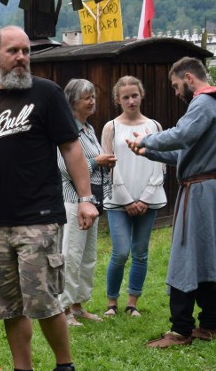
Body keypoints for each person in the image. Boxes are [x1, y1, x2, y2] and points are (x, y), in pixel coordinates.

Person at [0, 26, 98, 371]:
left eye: (26, 52)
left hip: (41, 215)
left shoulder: (46, 95)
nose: (21, 58)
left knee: (45, 300)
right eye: (13, 51)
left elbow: (71, 149)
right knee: (8, 304)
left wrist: (85, 197)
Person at [127, 56, 216, 347]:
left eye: (177, 86)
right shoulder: (209, 105)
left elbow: (182, 135)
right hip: (205, 191)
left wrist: (147, 140)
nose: (177, 92)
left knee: (185, 258)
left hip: (201, 194)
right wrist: (147, 151)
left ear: (189, 78)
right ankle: (211, 324)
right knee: (206, 258)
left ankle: (181, 330)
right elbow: (183, 154)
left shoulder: (202, 104)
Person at [100, 76, 166, 319]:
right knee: (121, 251)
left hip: (149, 198)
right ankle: (111, 302)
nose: (131, 100)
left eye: (134, 95)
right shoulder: (111, 127)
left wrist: (146, 197)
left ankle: (132, 303)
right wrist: (127, 199)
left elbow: (161, 164)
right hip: (119, 200)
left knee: (140, 251)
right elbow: (108, 164)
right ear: (118, 99)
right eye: (125, 97)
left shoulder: (154, 126)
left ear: (142, 95)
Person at [58, 79, 116, 327]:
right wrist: (97, 162)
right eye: (87, 98)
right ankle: (64, 309)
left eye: (93, 96)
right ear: (73, 102)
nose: (92, 101)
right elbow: (64, 167)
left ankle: (79, 305)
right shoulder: (66, 129)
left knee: (88, 255)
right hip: (72, 201)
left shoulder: (89, 128)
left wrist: (105, 162)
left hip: (92, 200)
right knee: (71, 255)